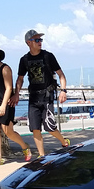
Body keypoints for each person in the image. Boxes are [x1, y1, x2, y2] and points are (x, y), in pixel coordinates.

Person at [10, 29, 70, 158]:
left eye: (40, 40)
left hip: (47, 97)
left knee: (49, 127)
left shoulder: (48, 56)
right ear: (28, 42)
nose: (40, 42)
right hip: (33, 97)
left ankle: (64, 142)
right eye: (36, 40)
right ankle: (41, 156)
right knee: (35, 128)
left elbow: (61, 75)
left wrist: (63, 91)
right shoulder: (24, 60)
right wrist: (16, 94)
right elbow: (20, 78)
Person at [0, 43, 32, 167]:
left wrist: (3, 105)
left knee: (8, 131)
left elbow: (9, 88)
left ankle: (24, 147)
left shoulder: (5, 69)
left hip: (6, 101)